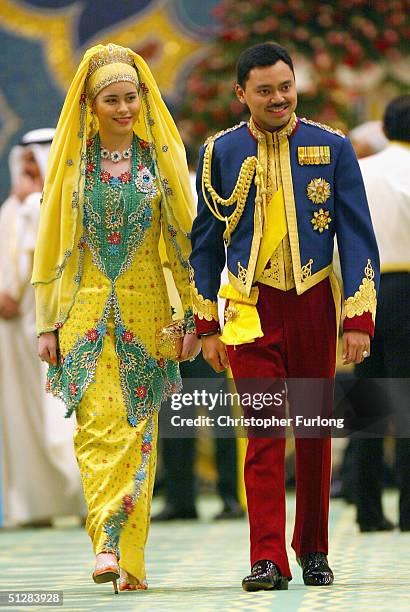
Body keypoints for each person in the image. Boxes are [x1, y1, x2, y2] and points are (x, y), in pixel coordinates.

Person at [189, 42, 380, 591]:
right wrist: (206, 325)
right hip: (249, 308)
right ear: (240, 93)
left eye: (286, 87)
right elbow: (204, 245)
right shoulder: (219, 153)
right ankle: (267, 556)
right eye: (265, 90)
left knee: (316, 434)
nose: (278, 98)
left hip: (315, 304)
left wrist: (358, 320)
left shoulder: (332, 146)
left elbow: (358, 238)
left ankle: (314, 549)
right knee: (265, 434)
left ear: (298, 85)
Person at [32, 43, 199, 593]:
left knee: (136, 430)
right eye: (112, 100)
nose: (124, 109)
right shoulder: (72, 169)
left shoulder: (161, 163)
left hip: (148, 311)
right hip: (82, 314)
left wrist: (195, 315)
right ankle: (105, 542)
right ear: (92, 104)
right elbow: (55, 250)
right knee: (95, 432)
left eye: (131, 97)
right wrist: (46, 323)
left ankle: (128, 560)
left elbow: (181, 243)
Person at [0, 129, 84, 528]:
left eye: (36, 160)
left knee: (57, 412)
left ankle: (82, 494)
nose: (29, 168)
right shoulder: (14, 207)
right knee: (24, 414)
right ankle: (35, 504)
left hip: (47, 322)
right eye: (26, 161)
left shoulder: (47, 204)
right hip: (14, 330)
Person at [351, 95, 410, 532]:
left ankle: (368, 509)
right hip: (408, 288)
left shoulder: (363, 170)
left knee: (368, 402)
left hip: (366, 288)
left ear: (386, 129)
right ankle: (409, 510)